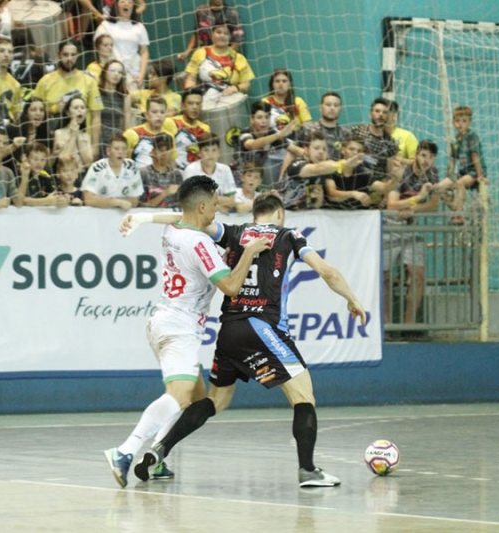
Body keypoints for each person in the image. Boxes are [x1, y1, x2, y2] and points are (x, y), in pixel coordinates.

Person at [123, 191, 366, 488]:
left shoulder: (235, 232)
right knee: (303, 396)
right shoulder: (289, 235)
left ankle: (160, 449)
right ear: (279, 214)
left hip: (229, 330)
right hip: (263, 326)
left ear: (255, 214)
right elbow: (326, 271)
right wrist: (352, 299)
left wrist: (144, 218)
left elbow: (185, 219)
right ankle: (308, 470)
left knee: (216, 400)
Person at [104, 175, 272, 488]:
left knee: (195, 398)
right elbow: (232, 287)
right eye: (216, 205)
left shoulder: (175, 228)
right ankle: (125, 451)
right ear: (203, 206)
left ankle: (157, 457)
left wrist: (144, 218)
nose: (218, 211)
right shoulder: (199, 243)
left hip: (162, 321)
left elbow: (178, 214)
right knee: (180, 396)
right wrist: (249, 252)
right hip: (179, 328)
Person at [384, 140, 440, 333]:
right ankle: (387, 326)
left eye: (431, 157)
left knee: (418, 276)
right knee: (385, 277)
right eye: (424, 155)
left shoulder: (432, 174)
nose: (426, 160)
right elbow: (392, 204)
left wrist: (413, 209)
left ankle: (409, 326)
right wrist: (414, 200)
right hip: (390, 227)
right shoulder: (401, 171)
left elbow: (434, 205)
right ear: (416, 154)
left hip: (411, 228)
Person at [32, 40, 103, 158]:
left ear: (78, 55)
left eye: (73, 55)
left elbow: (96, 115)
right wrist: (54, 108)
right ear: (58, 54)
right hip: (53, 142)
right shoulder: (46, 81)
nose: (69, 58)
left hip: (82, 143)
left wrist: (95, 146)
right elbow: (34, 111)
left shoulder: (89, 81)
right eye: (65, 55)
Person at [277, 131, 362, 211]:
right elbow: (318, 168)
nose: (321, 152)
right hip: (282, 211)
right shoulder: (297, 164)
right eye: (316, 148)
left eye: (324, 149)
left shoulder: (324, 173)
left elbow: (318, 205)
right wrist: (343, 164)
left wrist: (318, 200)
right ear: (306, 150)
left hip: (302, 216)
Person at [183, 21, 253, 108]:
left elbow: (246, 84)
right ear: (212, 34)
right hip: (205, 96)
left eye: (226, 33)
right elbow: (191, 79)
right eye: (218, 32)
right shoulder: (200, 53)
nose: (222, 35)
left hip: (230, 97)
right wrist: (191, 97)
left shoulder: (239, 58)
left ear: (230, 37)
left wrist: (234, 88)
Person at [436, 105, 487, 221]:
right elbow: (452, 160)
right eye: (458, 121)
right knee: (438, 188)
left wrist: (480, 176)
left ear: (470, 123)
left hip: (474, 172)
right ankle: (455, 208)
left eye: (464, 121)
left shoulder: (471, 136)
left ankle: (458, 214)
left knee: (459, 183)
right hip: (463, 173)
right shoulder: (456, 140)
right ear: (453, 122)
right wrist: (448, 178)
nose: (461, 124)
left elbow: (475, 156)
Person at [323, 135, 398, 210]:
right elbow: (331, 195)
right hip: (333, 215)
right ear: (343, 150)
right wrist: (353, 194)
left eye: (359, 151)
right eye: (351, 149)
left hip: (358, 216)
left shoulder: (362, 173)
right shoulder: (333, 168)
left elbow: (384, 188)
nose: (355, 153)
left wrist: (398, 177)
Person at [233, 100, 295, 186]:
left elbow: (295, 150)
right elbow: (252, 145)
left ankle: (281, 184)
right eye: (260, 117)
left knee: (288, 153)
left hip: (257, 178)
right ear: (252, 119)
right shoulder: (245, 133)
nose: (264, 121)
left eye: (267, 117)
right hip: (240, 179)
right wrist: (278, 135)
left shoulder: (272, 133)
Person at [93, 0, 149, 89]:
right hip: (111, 73)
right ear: (116, 6)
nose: (126, 4)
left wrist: (141, 75)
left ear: (133, 6)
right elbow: (98, 48)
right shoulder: (106, 25)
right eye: (122, 1)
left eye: (130, 2)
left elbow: (144, 52)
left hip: (133, 73)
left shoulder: (139, 27)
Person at [81, 133, 142, 210]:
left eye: (124, 149)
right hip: (99, 216)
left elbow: (135, 200)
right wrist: (117, 202)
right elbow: (88, 199)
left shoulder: (132, 167)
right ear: (108, 151)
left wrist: (104, 201)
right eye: (117, 149)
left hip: (124, 216)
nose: (120, 152)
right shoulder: (97, 167)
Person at [349, 97, 400, 182]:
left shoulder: (391, 143)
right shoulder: (356, 131)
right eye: (377, 111)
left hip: (376, 187)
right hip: (352, 181)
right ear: (370, 114)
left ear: (388, 117)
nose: (380, 114)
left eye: (384, 112)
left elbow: (389, 173)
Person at [182, 133, 236, 212]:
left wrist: (206, 198)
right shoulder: (191, 170)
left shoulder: (225, 169)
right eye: (206, 150)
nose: (210, 154)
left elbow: (231, 201)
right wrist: (218, 203)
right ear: (199, 153)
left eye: (214, 150)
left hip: (221, 216)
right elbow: (191, 200)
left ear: (219, 153)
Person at [177, 0, 243, 62]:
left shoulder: (232, 13)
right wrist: (187, 52)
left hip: (226, 58)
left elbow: (237, 41)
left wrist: (224, 59)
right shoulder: (201, 11)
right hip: (205, 56)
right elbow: (197, 33)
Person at [123, 96, 177, 169]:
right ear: (146, 114)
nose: (159, 115)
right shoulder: (132, 134)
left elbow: (171, 164)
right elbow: (123, 162)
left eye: (162, 112)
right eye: (154, 112)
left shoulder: (169, 136)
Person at [295, 91, 351, 161]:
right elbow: (293, 152)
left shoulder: (346, 133)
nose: (332, 108)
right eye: (328, 105)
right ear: (320, 108)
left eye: (336, 105)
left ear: (340, 109)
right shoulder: (306, 128)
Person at [15, 142, 69, 207]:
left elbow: (54, 195)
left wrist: (63, 200)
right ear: (26, 159)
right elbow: (21, 201)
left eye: (42, 160)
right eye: (35, 159)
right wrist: (46, 201)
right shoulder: (20, 175)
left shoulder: (45, 176)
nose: (39, 163)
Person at [170, 87, 209, 171]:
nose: (194, 107)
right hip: (176, 170)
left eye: (198, 104)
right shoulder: (171, 122)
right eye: (190, 103)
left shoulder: (205, 128)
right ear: (183, 105)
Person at [140, 132, 183, 208]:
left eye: (167, 150)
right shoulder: (143, 173)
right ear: (153, 151)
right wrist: (165, 193)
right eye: (161, 149)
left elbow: (181, 203)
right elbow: (140, 206)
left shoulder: (176, 174)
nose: (164, 153)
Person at [262, 69, 311, 135]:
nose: (281, 84)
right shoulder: (265, 102)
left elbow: (307, 126)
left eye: (284, 81)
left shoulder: (298, 102)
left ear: (290, 84)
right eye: (277, 81)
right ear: (272, 84)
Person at [98, 59, 131, 156]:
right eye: (112, 70)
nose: (116, 74)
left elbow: (127, 123)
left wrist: (126, 142)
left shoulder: (125, 96)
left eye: (119, 72)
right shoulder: (97, 93)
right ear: (105, 72)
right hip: (99, 140)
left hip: (116, 142)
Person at [52, 95, 94, 170]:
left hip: (81, 175)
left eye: (82, 108)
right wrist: (73, 135)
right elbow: (64, 159)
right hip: (65, 175)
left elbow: (88, 164)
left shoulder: (86, 136)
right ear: (68, 112)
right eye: (76, 108)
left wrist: (78, 137)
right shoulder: (59, 133)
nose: (80, 110)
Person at [385, 100, 418, 165]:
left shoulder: (407, 136)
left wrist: (401, 160)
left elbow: (417, 162)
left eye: (394, 113)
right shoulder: (374, 135)